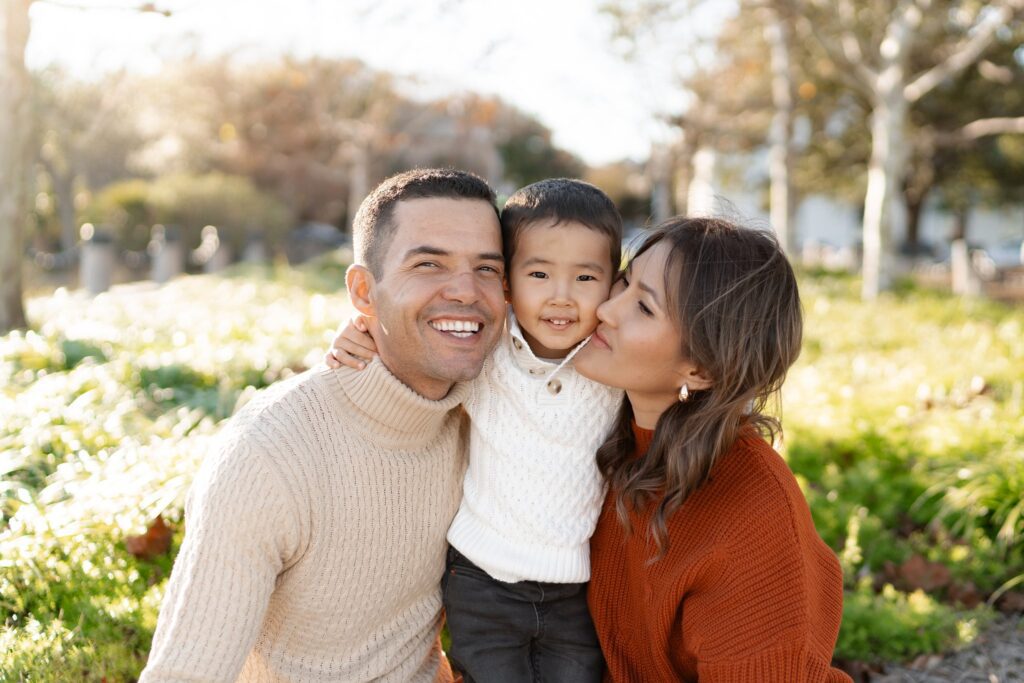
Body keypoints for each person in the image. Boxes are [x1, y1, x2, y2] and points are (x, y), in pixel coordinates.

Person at [140, 168, 507, 682]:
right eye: (428, 264)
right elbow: (187, 673)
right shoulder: (268, 455)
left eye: (488, 270)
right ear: (363, 292)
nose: (467, 292)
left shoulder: (494, 414)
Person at [328, 178, 625, 682]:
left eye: (585, 279)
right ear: (506, 282)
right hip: (482, 579)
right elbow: (414, 331)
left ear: (612, 286)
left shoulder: (613, 361)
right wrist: (354, 332)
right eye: (538, 273)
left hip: (577, 587)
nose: (561, 297)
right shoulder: (488, 347)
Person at [573, 216, 853, 682]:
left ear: (700, 369)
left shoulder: (753, 511)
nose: (606, 310)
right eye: (623, 281)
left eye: (643, 307)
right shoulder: (599, 432)